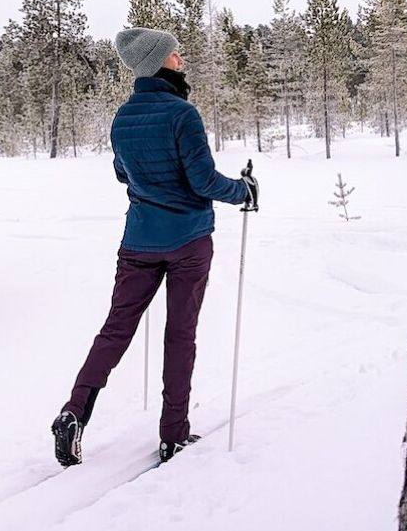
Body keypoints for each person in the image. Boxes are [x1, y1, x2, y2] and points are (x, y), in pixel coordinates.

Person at [51, 27, 260, 467]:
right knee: (179, 334)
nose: (181, 59)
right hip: (187, 240)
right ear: (158, 62)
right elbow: (203, 181)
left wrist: (152, 188)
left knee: (116, 328)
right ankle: (173, 435)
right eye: (175, 53)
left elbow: (123, 176)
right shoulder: (184, 114)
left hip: (139, 241)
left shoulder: (122, 118)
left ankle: (74, 411)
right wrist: (244, 190)